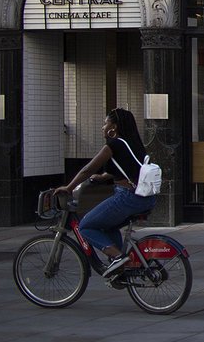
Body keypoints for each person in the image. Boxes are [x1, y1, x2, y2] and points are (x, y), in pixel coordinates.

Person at [55, 107, 156, 277]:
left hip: (127, 197)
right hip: (145, 197)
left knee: (85, 226)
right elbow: (128, 166)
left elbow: (87, 169)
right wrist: (103, 177)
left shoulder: (114, 144)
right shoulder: (134, 142)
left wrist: (69, 187)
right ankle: (120, 268)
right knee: (108, 225)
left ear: (113, 127)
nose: (103, 127)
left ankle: (118, 258)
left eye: (105, 123)